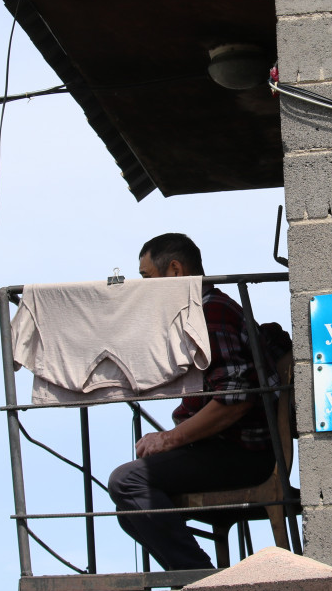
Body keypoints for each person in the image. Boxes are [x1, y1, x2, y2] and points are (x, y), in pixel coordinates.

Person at [107, 233, 280, 570]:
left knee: (127, 481)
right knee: (131, 510)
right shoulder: (199, 313)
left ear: (175, 270)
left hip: (242, 454)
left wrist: (169, 439)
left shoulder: (209, 313)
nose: (144, 289)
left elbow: (235, 400)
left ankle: (201, 579)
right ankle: (197, 576)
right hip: (221, 449)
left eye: (147, 278)